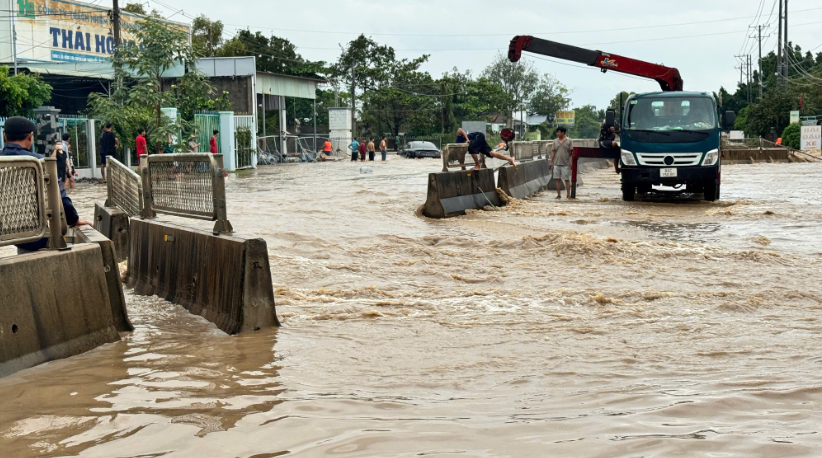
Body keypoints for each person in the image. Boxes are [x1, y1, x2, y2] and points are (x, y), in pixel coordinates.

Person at [0, 117, 91, 253]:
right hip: (38, 234)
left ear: (5, 136)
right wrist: (74, 219)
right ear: (30, 137)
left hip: (6, 234)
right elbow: (61, 199)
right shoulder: (39, 163)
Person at [550, 126, 573, 199]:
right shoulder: (555, 141)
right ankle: (558, 194)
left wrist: (571, 162)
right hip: (556, 163)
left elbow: (571, 153)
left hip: (565, 163)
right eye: (557, 132)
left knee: (566, 179)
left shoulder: (569, 141)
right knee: (557, 179)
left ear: (563, 133)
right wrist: (551, 162)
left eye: (559, 132)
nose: (557, 133)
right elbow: (553, 151)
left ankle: (568, 195)